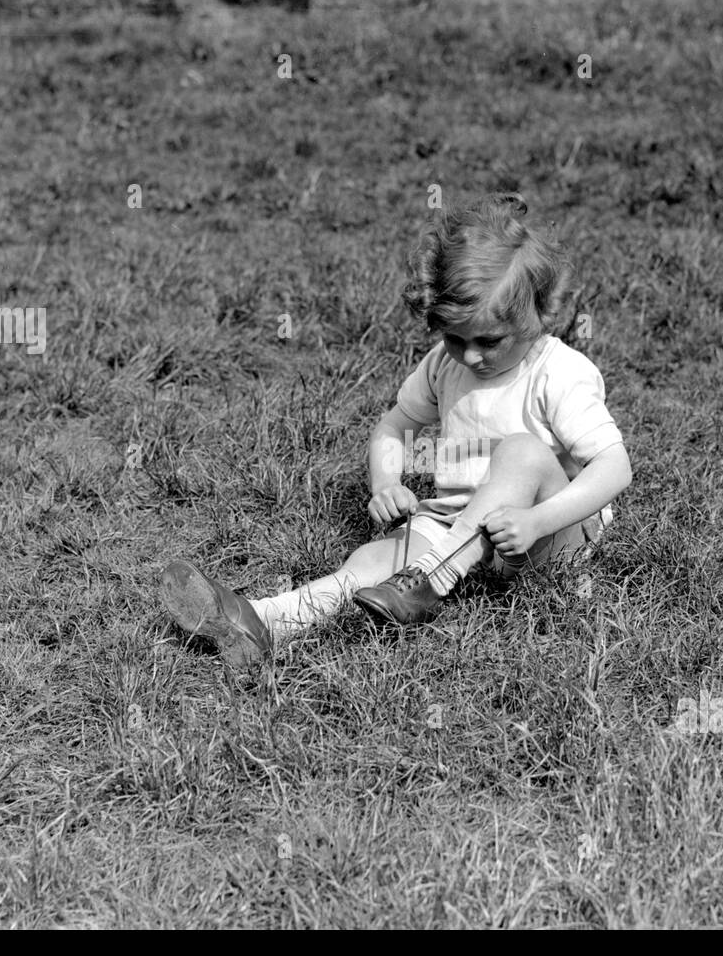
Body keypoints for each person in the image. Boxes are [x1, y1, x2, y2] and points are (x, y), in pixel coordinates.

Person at [160, 192, 632, 663]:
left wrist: (537, 520)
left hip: (544, 544)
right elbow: (393, 427)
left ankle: (434, 575)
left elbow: (614, 468)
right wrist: (385, 482)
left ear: (538, 313)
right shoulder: (443, 367)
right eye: (454, 338)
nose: (469, 356)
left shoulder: (559, 372)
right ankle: (263, 620)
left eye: (488, 340)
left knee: (523, 452)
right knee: (369, 561)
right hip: (453, 527)